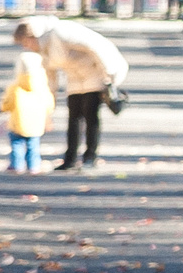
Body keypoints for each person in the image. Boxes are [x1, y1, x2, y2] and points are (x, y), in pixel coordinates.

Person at [12, 15, 130, 172]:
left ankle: (90, 157)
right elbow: (50, 76)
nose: (26, 47)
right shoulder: (43, 50)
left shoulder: (61, 31)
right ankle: (70, 159)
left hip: (95, 72)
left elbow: (95, 46)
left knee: (90, 114)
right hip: (75, 78)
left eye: (26, 42)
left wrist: (110, 76)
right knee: (73, 117)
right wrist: (49, 101)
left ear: (32, 36)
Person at [0, 46, 53, 174]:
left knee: (17, 145)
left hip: (18, 122)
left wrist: (2, 108)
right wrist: (48, 116)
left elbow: (8, 103)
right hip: (36, 123)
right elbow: (49, 104)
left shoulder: (15, 87)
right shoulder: (42, 87)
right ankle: (34, 166)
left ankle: (16, 165)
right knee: (33, 146)